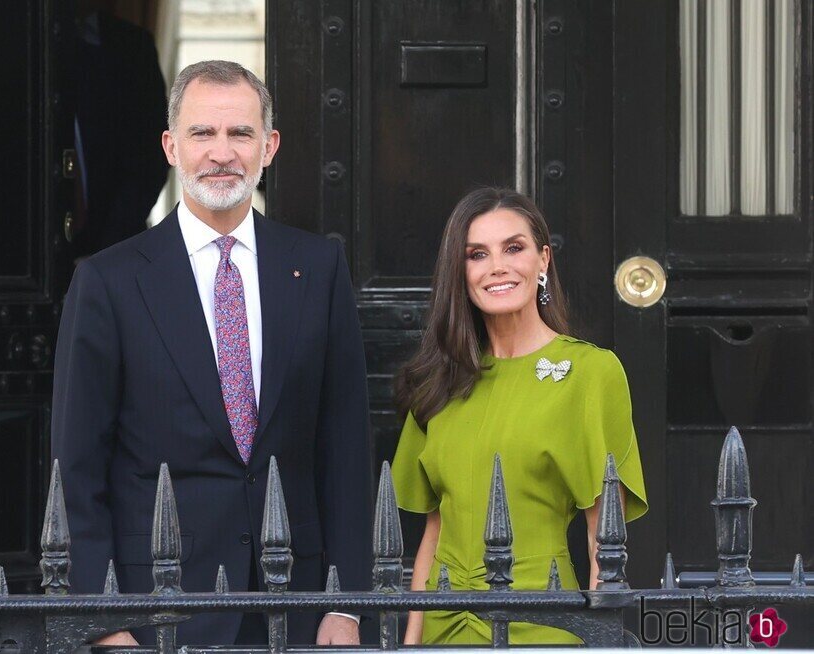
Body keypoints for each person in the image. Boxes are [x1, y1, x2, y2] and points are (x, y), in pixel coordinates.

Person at [51, 60, 372, 647]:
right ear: (171, 146)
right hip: (160, 607)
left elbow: (344, 446)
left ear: (268, 146)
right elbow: (78, 463)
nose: (222, 153)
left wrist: (346, 604)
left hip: (296, 602)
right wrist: (102, 616)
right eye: (203, 133)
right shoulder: (109, 282)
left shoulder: (318, 269)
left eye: (240, 133)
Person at [391, 187, 648, 645]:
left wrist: (601, 638)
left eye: (514, 248)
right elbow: (435, 527)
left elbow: (603, 536)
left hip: (542, 620)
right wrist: (411, 640)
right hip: (443, 625)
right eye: (477, 254)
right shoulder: (440, 378)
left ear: (543, 260)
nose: (497, 267)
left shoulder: (591, 373)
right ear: (460, 271)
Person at [70, 1, 170, 258]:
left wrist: (107, 253)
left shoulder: (132, 46)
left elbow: (152, 156)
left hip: (115, 249)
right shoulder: (8, 41)